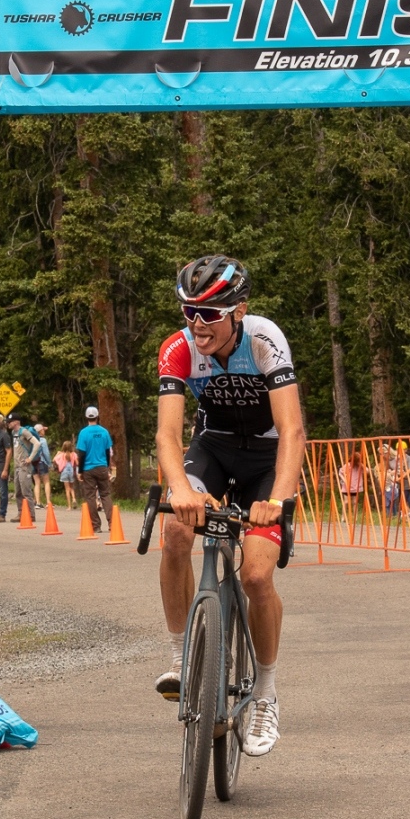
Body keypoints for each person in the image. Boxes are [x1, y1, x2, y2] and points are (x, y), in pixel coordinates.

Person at [156, 254, 305, 758]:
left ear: (238, 311)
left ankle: (264, 693)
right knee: (175, 531)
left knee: (258, 577)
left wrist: (279, 500)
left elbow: (292, 431)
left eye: (209, 314)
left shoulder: (264, 340)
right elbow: (168, 434)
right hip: (214, 448)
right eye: (188, 312)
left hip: (266, 459)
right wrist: (181, 489)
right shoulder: (178, 348)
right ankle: (180, 655)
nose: (197, 325)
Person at [75, 405, 115, 530]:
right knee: (105, 494)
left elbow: (81, 453)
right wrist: (108, 468)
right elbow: (108, 451)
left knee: (91, 496)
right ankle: (112, 523)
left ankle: (96, 525)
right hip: (102, 467)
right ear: (98, 416)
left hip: (88, 468)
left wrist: (80, 470)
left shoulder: (83, 433)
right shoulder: (104, 432)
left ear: (86, 417)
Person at [6, 417, 42, 520]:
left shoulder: (24, 432)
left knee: (26, 491)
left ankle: (31, 514)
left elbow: (37, 443)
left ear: (16, 421)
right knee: (18, 491)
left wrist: (30, 458)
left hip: (24, 466)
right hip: (17, 465)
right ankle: (21, 513)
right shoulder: (13, 432)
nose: (8, 424)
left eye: (10, 422)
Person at [32, 423, 54, 510]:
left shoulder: (31, 439)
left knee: (37, 482)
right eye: (43, 430)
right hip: (42, 462)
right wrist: (50, 464)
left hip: (33, 463)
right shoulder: (43, 440)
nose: (44, 431)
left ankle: (38, 502)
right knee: (46, 482)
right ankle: (48, 502)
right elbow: (46, 453)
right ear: (40, 431)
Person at [55, 440, 79, 509]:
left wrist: (57, 454)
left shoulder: (61, 454)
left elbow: (54, 460)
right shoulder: (74, 454)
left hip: (64, 472)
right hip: (71, 471)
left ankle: (69, 506)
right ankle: (74, 499)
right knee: (71, 487)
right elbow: (77, 463)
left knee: (67, 489)